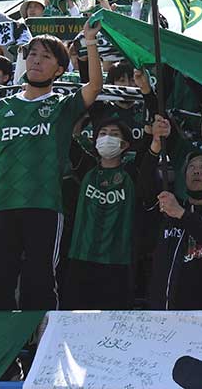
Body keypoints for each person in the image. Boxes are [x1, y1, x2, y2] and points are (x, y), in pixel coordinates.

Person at [0, 22, 104, 311]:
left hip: (44, 205)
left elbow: (94, 87)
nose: (36, 60)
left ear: (59, 69)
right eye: (32, 55)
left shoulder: (62, 105)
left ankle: (42, 349)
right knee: (1, 283)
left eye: (45, 57)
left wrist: (90, 42)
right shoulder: (2, 108)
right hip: (2, 204)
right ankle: (5, 353)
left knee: (39, 282)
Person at [141, 115, 202, 310]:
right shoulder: (169, 207)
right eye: (192, 168)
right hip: (168, 312)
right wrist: (155, 144)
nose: (197, 171)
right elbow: (144, 185)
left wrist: (182, 215)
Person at [63, 118, 140, 310]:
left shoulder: (132, 171)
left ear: (125, 145)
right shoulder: (87, 167)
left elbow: (150, 152)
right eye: (102, 133)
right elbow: (67, 139)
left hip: (117, 262)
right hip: (81, 258)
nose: (107, 138)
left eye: (114, 135)